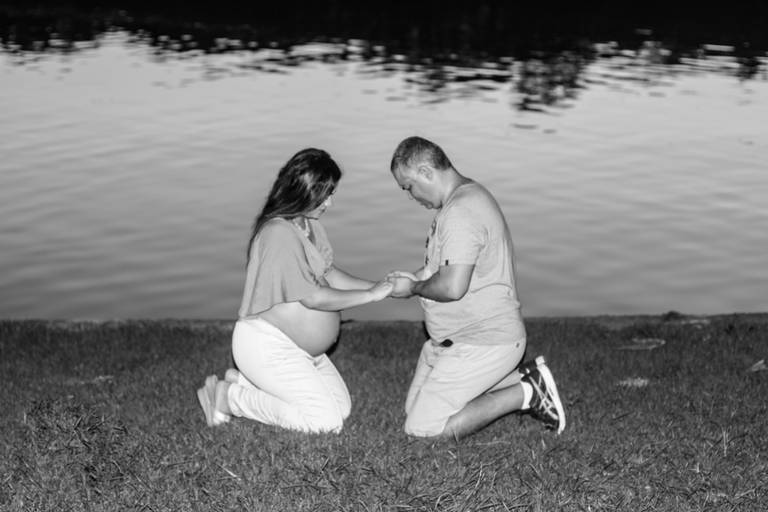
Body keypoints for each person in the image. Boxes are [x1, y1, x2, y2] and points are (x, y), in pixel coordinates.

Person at [197, 148, 393, 433]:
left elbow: (328, 273)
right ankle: (230, 398)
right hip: (268, 345)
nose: (330, 203)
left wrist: (378, 287)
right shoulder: (277, 233)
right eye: (324, 195)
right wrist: (370, 296)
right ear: (303, 191)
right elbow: (313, 297)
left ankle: (245, 383)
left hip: (301, 351)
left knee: (342, 408)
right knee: (326, 422)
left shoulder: (308, 225)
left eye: (331, 194)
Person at [387, 136, 565, 439]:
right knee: (413, 409)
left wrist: (415, 288)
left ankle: (526, 392)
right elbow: (444, 270)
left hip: (484, 341)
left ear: (426, 172)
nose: (410, 195)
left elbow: (452, 287)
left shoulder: (460, 213)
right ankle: (518, 377)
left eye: (408, 186)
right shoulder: (466, 198)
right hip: (461, 339)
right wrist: (405, 283)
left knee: (421, 429)